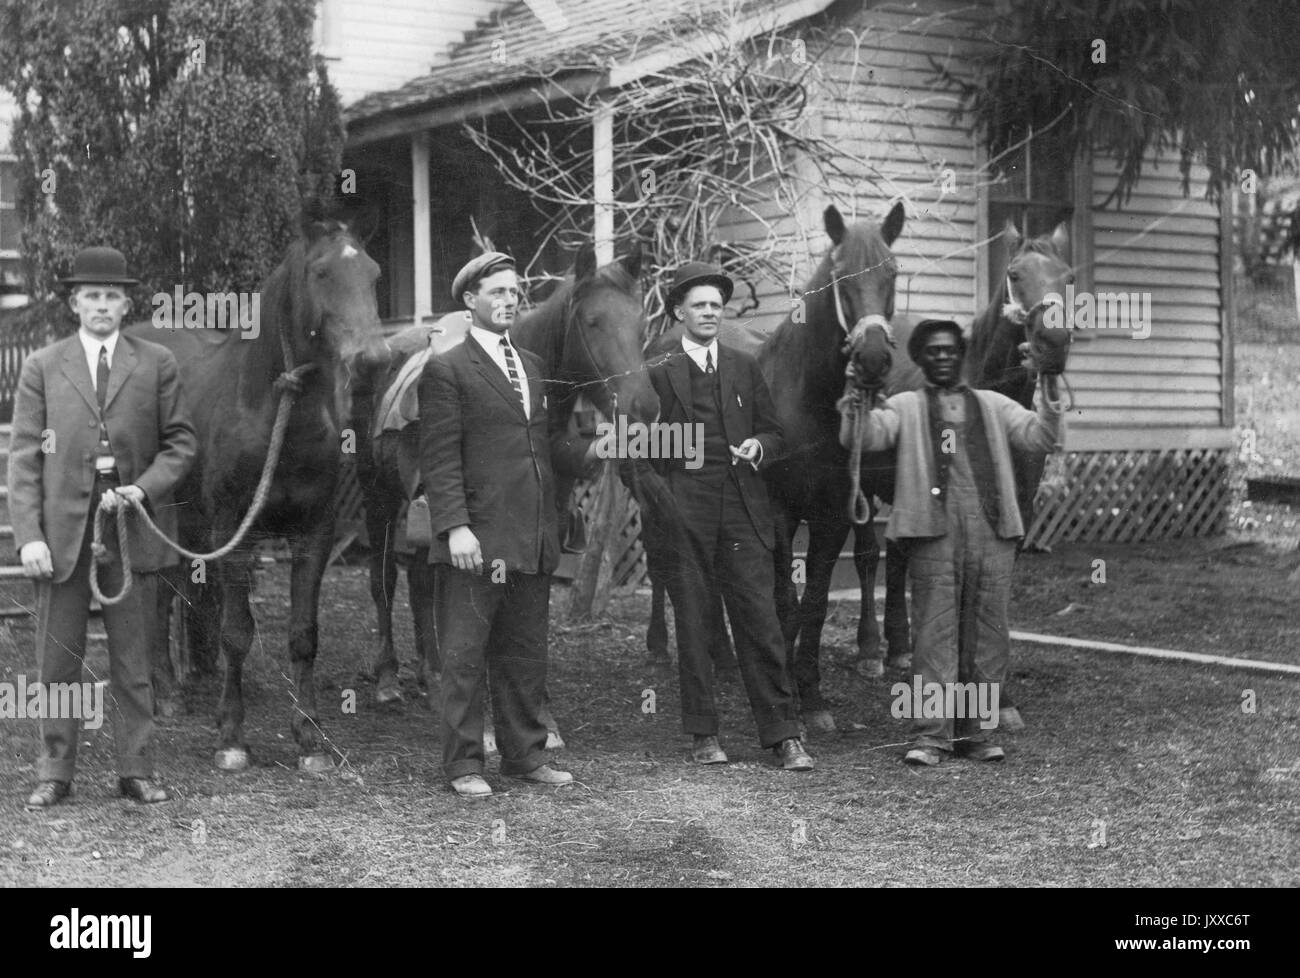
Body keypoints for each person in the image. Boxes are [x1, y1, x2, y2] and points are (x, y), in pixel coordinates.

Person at [10, 246, 197, 806]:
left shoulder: (155, 361)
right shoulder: (43, 365)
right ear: (74, 303)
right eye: (91, 296)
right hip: (63, 531)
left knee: (132, 656)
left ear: (125, 303)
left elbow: (181, 442)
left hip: (130, 524)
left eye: (111, 296)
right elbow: (23, 457)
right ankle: (54, 772)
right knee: (57, 659)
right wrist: (30, 537)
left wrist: (144, 487)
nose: (101, 306)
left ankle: (135, 769)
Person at [418, 252, 604, 799]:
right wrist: (455, 527)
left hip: (531, 533)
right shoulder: (447, 368)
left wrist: (593, 450)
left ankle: (524, 756)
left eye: (514, 291)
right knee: (465, 653)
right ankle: (463, 764)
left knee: (525, 651)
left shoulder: (532, 363)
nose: (508, 300)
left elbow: (544, 446)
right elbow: (440, 458)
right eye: (495, 292)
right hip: (476, 537)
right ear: (470, 301)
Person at [839, 319, 1063, 765]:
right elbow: (860, 438)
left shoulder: (994, 404)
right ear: (921, 361)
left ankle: (975, 735)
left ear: (960, 356)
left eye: (949, 350)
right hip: (933, 534)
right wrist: (858, 391)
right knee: (935, 634)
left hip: (992, 533)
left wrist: (1050, 379)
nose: (942, 357)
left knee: (988, 636)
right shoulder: (905, 406)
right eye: (932, 352)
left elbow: (1041, 437)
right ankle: (932, 737)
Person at [646, 261, 813, 771]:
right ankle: (703, 734)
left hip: (743, 510)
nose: (709, 313)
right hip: (687, 512)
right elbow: (639, 445)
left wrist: (758, 447)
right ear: (679, 312)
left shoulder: (744, 366)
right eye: (699, 305)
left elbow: (776, 433)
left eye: (716, 305)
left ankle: (783, 735)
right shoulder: (657, 370)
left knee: (761, 621)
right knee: (695, 623)